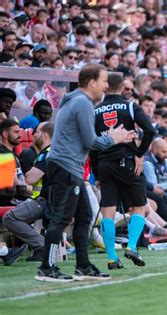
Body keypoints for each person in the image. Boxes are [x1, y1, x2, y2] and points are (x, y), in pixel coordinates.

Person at [36, 64, 135, 283]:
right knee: (61, 218)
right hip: (66, 167)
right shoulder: (83, 103)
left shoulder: (73, 100)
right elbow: (92, 142)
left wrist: (109, 137)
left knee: (85, 217)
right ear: (92, 83)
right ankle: (47, 267)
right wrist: (113, 138)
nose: (106, 86)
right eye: (103, 81)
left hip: (69, 167)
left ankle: (83, 266)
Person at [91, 73, 155, 270]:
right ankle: (132, 247)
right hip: (127, 161)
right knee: (140, 207)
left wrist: (98, 174)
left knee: (108, 212)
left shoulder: (95, 111)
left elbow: (92, 145)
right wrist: (139, 153)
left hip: (104, 164)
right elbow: (150, 131)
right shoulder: (129, 106)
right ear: (121, 88)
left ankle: (111, 257)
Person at [3, 122, 53, 262]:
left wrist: (23, 180)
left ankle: (42, 247)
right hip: (50, 199)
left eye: (36, 132)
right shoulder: (60, 150)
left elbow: (30, 179)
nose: (32, 135)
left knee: (9, 217)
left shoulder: (46, 153)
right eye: (16, 132)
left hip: (44, 200)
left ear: (44, 135)